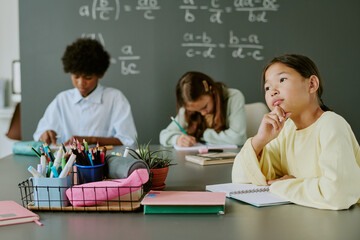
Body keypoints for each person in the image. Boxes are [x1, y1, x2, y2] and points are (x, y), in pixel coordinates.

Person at [232, 54, 360, 210]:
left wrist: (286, 184)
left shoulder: (331, 124)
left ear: (312, 84)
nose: (272, 91)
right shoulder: (286, 130)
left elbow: (338, 194)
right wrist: (260, 140)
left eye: (282, 80)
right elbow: (241, 179)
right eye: (267, 87)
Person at [33, 38, 137, 146]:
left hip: (106, 161)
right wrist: (46, 134)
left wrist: (92, 140)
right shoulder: (62, 100)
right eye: (76, 76)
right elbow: (40, 134)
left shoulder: (115, 98)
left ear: (100, 74)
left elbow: (128, 140)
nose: (81, 83)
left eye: (88, 77)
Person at [159, 71, 247, 147]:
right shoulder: (189, 109)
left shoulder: (234, 97)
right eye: (196, 111)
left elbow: (239, 138)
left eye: (204, 107)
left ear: (211, 90)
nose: (203, 113)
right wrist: (177, 139)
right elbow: (163, 135)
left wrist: (203, 135)